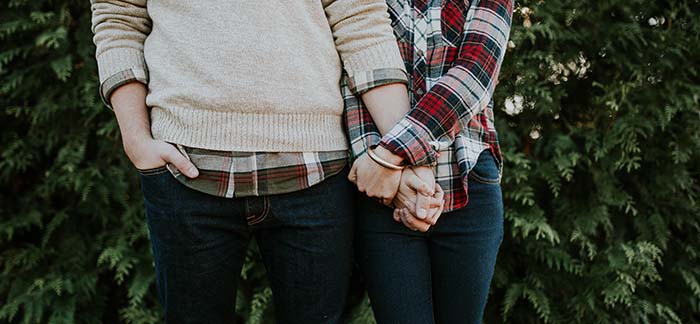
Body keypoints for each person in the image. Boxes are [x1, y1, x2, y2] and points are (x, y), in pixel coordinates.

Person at [89, 1, 424, 322]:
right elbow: (118, 15)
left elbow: (360, 19)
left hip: (316, 170)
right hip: (186, 169)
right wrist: (136, 140)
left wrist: (403, 153)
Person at [346, 0, 515, 323]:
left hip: (467, 184)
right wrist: (384, 168)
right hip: (386, 195)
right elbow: (353, 70)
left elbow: (475, 75)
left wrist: (390, 155)